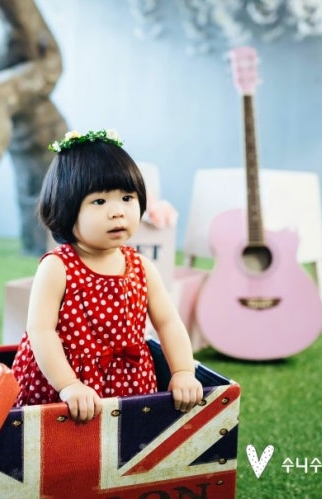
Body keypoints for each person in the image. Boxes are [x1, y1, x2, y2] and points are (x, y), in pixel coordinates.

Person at [11, 129, 203, 422]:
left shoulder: (140, 266)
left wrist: (183, 371)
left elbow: (168, 322)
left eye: (127, 198)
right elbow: (41, 331)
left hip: (129, 381)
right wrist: (69, 385)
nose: (117, 212)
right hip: (65, 384)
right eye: (99, 201)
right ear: (66, 208)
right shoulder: (58, 267)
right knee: (66, 442)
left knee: (129, 440)